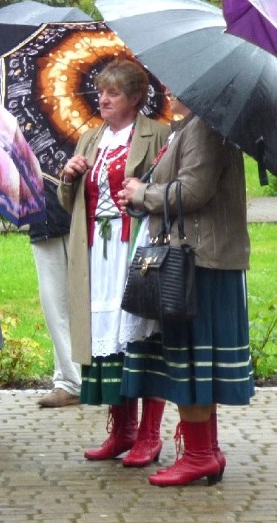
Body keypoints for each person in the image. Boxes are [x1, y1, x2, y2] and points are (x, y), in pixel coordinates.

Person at [118, 94, 254, 486]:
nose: (167, 92)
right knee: (192, 360)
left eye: (173, 85)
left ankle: (198, 455)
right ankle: (205, 451)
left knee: (193, 360)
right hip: (195, 259)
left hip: (200, 261)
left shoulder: (205, 127)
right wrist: (140, 190)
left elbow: (194, 190)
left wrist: (143, 194)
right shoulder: (189, 126)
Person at [58, 58, 170, 466]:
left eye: (114, 93)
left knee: (140, 333)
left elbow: (163, 191)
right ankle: (121, 430)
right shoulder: (91, 138)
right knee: (105, 337)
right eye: (101, 92)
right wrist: (69, 176)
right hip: (95, 251)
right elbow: (67, 202)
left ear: (136, 97)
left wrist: (142, 194)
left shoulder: (157, 135)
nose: (103, 99)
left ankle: (149, 435)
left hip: (134, 246)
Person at [31, 175, 81, 408]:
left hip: (82, 217)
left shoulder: (84, 136)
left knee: (86, 302)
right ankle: (69, 381)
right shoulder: (16, 141)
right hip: (43, 221)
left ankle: (91, 378)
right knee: (54, 306)